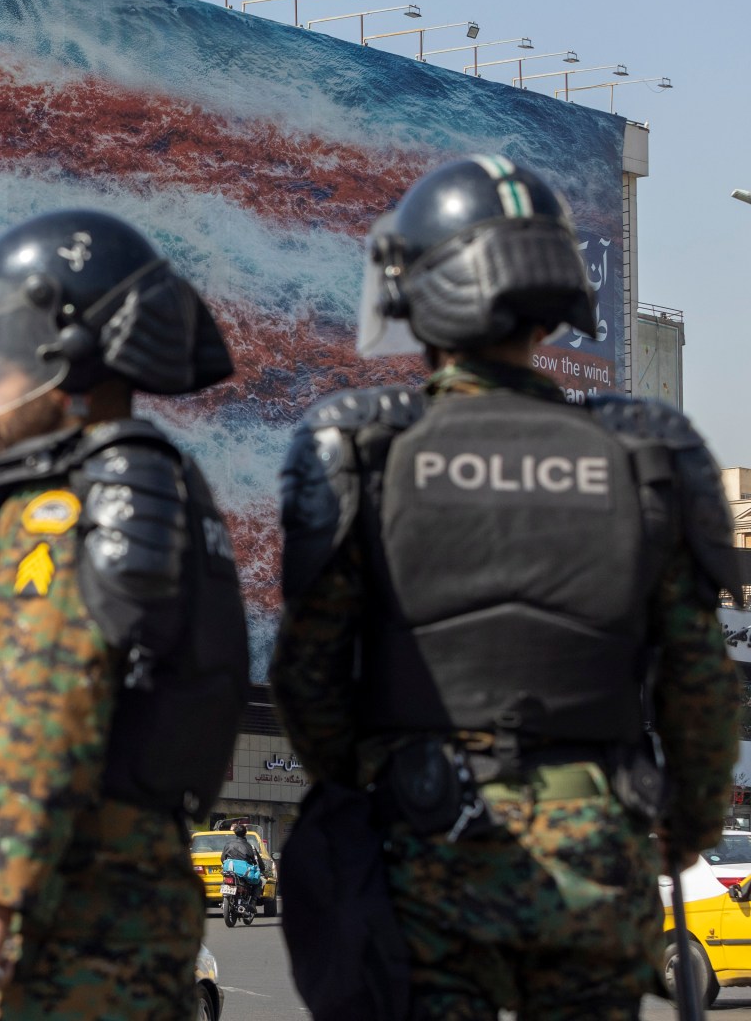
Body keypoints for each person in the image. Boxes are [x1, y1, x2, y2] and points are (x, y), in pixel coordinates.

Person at [273, 157, 740, 1020]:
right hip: (596, 853)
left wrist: (372, 781)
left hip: (423, 848)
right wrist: (690, 825)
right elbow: (700, 684)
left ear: (417, 294)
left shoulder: (360, 448)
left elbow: (309, 678)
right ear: (554, 300)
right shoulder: (648, 452)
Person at [0, 209, 251, 1021]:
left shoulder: (60, 504)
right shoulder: (158, 483)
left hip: (59, 915)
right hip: (130, 894)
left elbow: (47, 706)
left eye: (0, 360)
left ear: (68, 354)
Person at [218, 823, 263, 906]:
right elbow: (257, 861)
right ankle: (253, 902)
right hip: (244, 873)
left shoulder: (228, 844)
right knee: (259, 882)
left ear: (235, 833)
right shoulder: (250, 847)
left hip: (230, 871)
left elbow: (222, 858)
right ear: (245, 833)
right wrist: (262, 869)